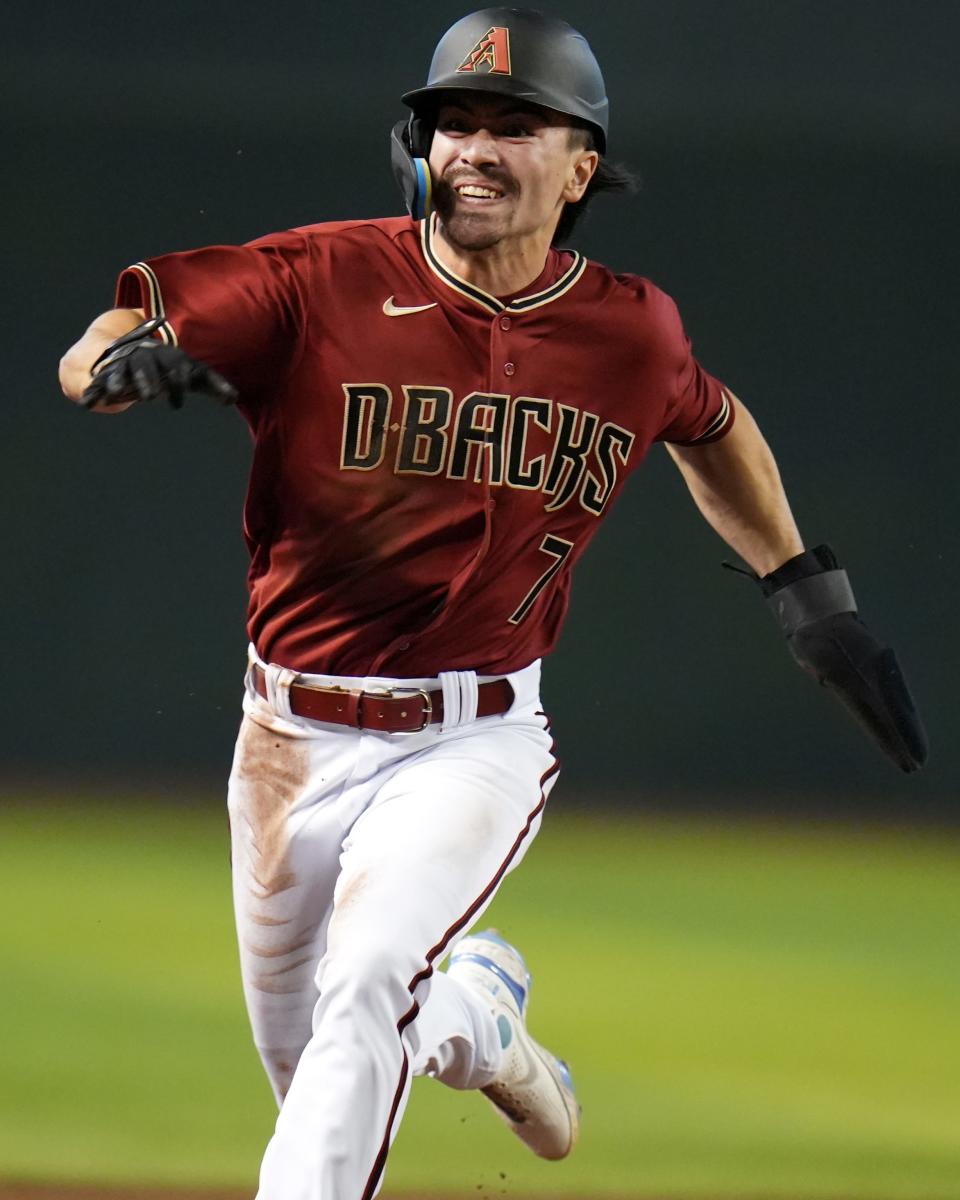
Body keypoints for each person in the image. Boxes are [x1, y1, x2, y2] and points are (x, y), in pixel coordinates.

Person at [58, 8, 926, 1199]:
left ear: (581, 168)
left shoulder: (629, 330)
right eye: (453, 120)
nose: (475, 144)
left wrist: (807, 596)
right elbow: (112, 330)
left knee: (367, 981)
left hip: (471, 737)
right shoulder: (320, 277)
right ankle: (480, 1016)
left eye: (515, 124)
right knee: (321, 1053)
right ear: (417, 146)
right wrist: (112, 361)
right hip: (286, 744)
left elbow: (712, 426)